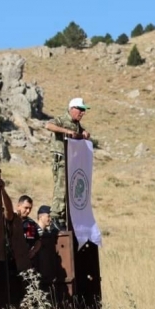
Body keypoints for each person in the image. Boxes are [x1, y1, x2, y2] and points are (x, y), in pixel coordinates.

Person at [45, 97, 93, 230]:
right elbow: (48, 125)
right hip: (61, 159)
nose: (83, 113)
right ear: (72, 109)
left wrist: (83, 133)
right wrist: (67, 132)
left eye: (84, 111)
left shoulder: (76, 124)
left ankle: (63, 218)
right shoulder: (62, 119)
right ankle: (55, 216)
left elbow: (81, 131)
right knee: (61, 188)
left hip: (72, 161)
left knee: (70, 190)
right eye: (81, 110)